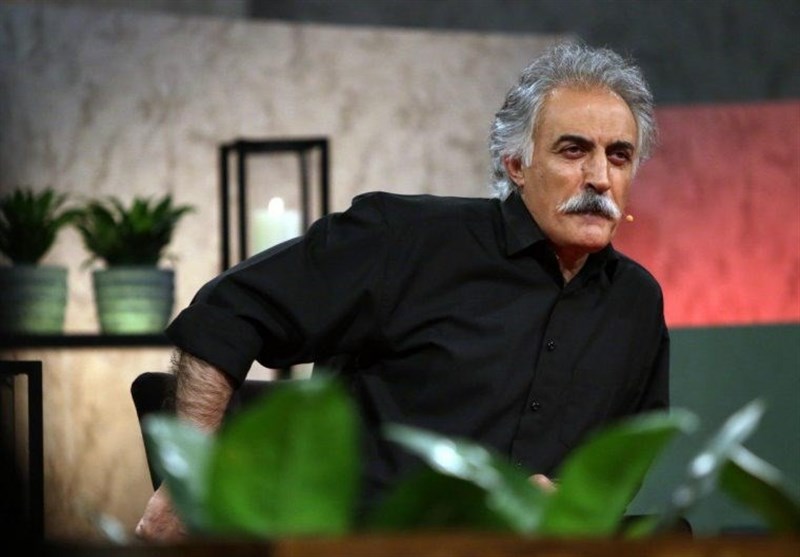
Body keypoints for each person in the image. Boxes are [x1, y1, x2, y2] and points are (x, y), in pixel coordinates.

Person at [136, 41, 668, 541]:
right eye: (574, 151)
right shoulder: (402, 239)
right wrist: (189, 480)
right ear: (517, 166)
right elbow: (227, 313)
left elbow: (623, 461)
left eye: (619, 156)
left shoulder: (636, 303)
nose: (599, 177)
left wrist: (570, 498)